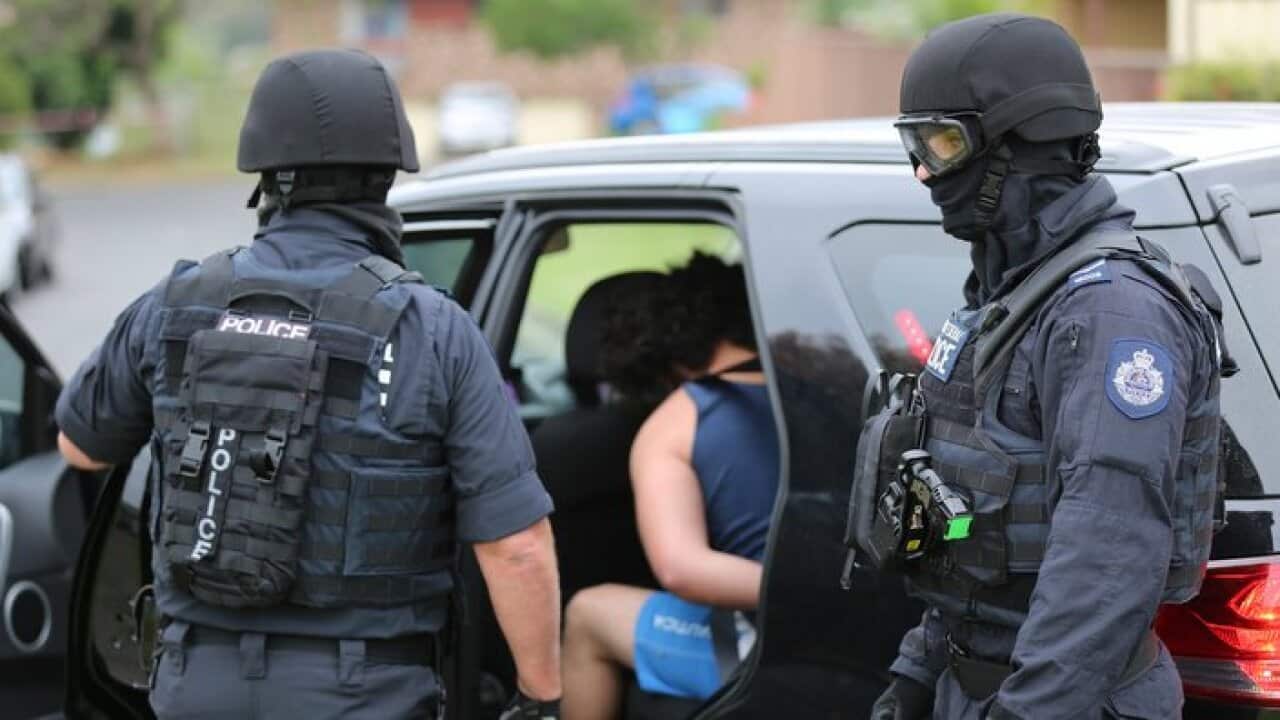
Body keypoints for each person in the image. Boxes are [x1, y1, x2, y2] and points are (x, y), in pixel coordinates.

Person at [54, 49, 561, 720]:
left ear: (265, 175)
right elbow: (517, 547)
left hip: (195, 687)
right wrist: (541, 698)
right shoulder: (432, 328)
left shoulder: (173, 306)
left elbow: (80, 447)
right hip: (364, 695)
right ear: (386, 176)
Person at [861, 14, 1226, 720]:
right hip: (980, 683)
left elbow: (1107, 555)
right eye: (915, 146)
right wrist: (918, 673)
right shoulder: (1011, 296)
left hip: (1066, 700)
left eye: (941, 143)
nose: (923, 171)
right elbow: (965, 523)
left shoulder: (1110, 312)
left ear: (1021, 140)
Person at [561, 253, 780, 719]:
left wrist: (805, 585)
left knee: (587, 613)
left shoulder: (676, 421)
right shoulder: (822, 388)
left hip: (773, 643)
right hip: (873, 626)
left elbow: (682, 570)